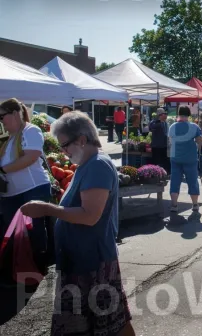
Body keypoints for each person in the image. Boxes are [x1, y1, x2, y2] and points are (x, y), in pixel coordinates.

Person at [20, 111, 134, 336]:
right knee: (109, 320)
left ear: (81, 140)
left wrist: (45, 208)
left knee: (111, 321)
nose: (63, 151)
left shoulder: (97, 165)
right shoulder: (88, 163)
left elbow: (89, 215)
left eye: (65, 145)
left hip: (92, 263)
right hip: (83, 260)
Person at [0, 98, 52, 271]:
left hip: (33, 189)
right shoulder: (8, 140)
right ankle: (19, 270)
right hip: (11, 194)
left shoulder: (30, 130)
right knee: (13, 233)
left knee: (33, 231)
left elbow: (30, 157)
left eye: (2, 117)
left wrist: (2, 171)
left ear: (15, 113)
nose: (1, 121)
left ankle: (38, 269)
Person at [168, 106, 202, 212]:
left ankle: (174, 205)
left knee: (175, 180)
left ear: (178, 114)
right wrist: (199, 148)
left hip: (175, 157)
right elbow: (199, 141)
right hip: (190, 158)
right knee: (192, 180)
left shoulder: (172, 127)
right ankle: (195, 204)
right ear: (188, 114)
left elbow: (170, 142)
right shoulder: (194, 127)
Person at [149, 108, 170, 174]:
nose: (166, 116)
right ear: (160, 115)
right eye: (164, 114)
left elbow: (166, 133)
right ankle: (156, 175)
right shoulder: (154, 122)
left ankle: (165, 174)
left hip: (164, 145)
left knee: (165, 161)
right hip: (156, 146)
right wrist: (159, 121)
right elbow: (151, 128)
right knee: (156, 162)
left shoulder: (165, 123)